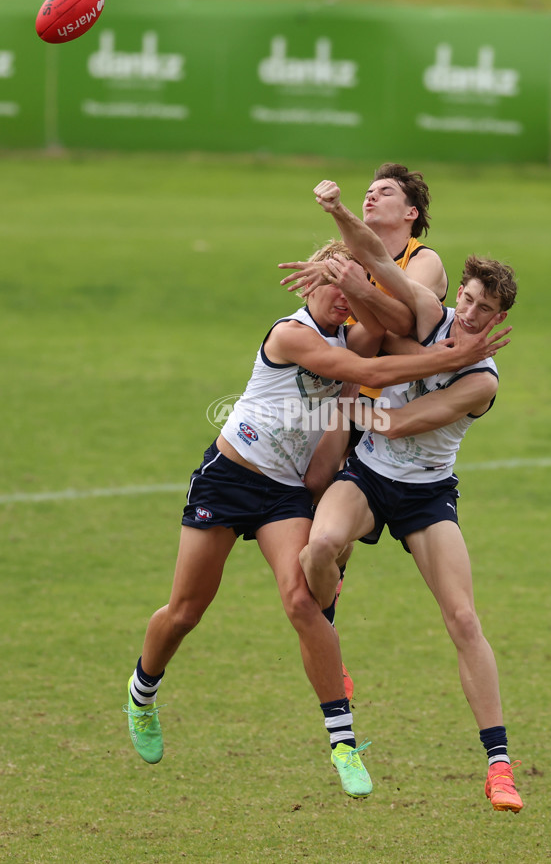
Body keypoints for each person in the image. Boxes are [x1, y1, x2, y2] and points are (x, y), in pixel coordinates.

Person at [122, 239, 510, 800]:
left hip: (283, 495)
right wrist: (451, 357)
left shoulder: (359, 327)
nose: (341, 299)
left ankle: (343, 743)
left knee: (303, 600)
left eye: (347, 288)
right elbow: (354, 367)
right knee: (184, 612)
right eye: (330, 285)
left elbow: (404, 295)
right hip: (230, 480)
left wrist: (384, 268)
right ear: (310, 285)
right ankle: (142, 693)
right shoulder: (290, 333)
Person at [297, 180, 524, 813]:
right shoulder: (433, 314)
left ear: (499, 321)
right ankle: (330, 638)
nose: (470, 315)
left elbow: (397, 424)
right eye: (469, 300)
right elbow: (376, 256)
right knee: (320, 547)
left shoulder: (480, 382)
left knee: (464, 619)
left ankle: (499, 767)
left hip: (426, 495)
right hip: (369, 476)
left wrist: (346, 402)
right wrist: (338, 213)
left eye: (484, 311)